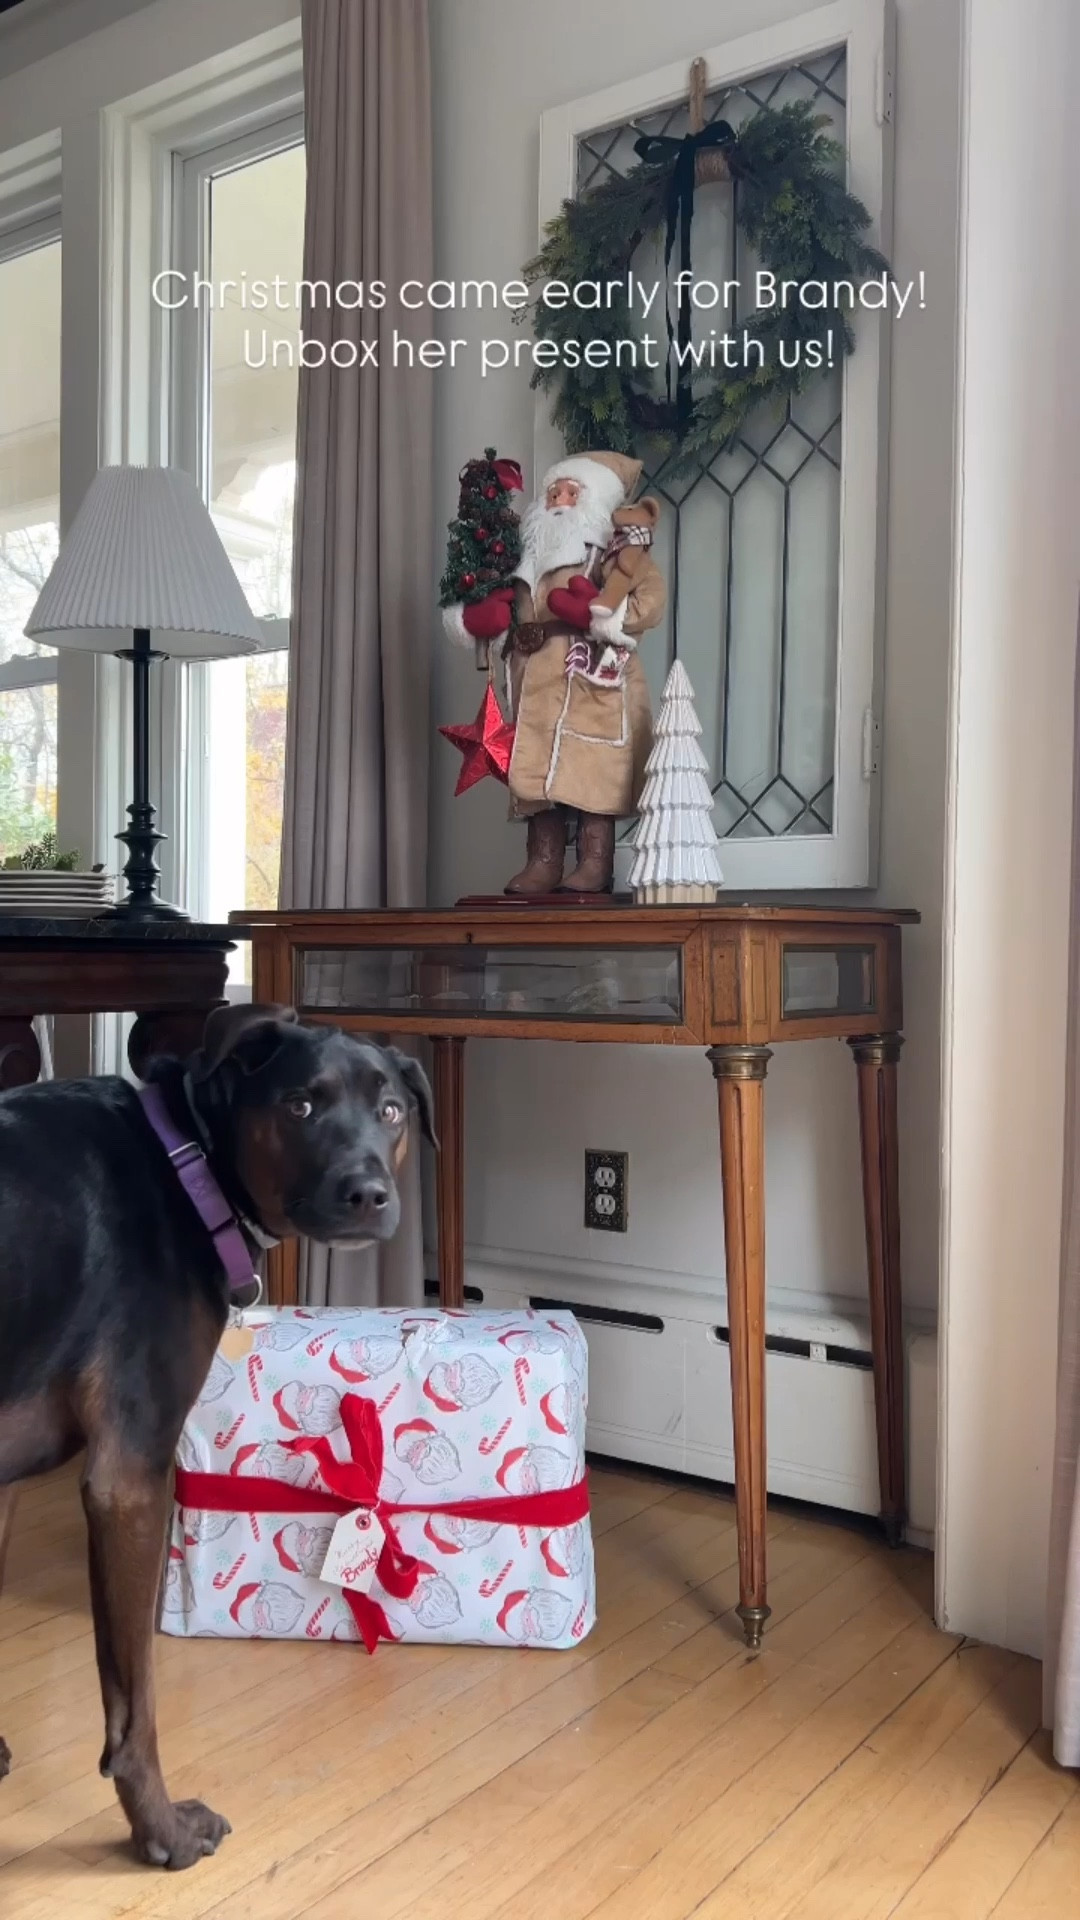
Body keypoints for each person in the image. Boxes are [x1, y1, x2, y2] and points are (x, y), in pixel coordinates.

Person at [442, 451, 666, 894]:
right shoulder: (520, 555)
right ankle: (542, 860)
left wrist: (601, 615)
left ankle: (594, 861)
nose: (559, 501)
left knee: (590, 766)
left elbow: (650, 600)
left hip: (588, 671)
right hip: (533, 670)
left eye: (571, 492)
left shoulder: (616, 550)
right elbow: (498, 605)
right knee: (536, 764)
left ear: (592, 500)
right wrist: (480, 621)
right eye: (552, 492)